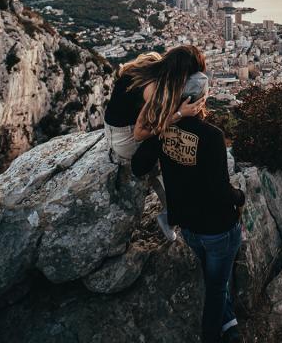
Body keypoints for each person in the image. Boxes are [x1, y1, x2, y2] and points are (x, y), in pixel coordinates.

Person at [131, 45, 245, 343]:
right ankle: (215, 336)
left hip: (189, 228)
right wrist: (239, 198)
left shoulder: (164, 128)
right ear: (201, 98)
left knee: (212, 280)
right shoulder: (212, 136)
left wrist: (160, 129)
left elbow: (138, 165)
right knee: (217, 287)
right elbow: (220, 190)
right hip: (218, 228)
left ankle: (229, 321)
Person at [104, 51, 205, 241]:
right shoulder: (155, 89)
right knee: (170, 142)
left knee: (168, 128)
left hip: (110, 129)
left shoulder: (150, 62)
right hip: (125, 139)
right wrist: (180, 114)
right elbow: (139, 133)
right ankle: (170, 215)